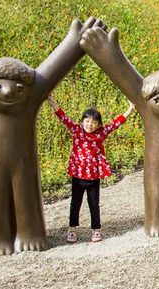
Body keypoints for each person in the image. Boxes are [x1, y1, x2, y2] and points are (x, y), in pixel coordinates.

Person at [46, 94, 136, 243]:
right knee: (75, 203)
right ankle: (72, 229)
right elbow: (63, 117)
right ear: (82, 122)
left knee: (94, 204)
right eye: (87, 121)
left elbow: (116, 123)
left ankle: (96, 229)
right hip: (78, 176)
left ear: (99, 124)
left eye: (94, 122)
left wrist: (130, 109)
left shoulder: (101, 134)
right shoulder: (76, 131)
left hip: (94, 177)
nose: (90, 124)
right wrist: (53, 103)